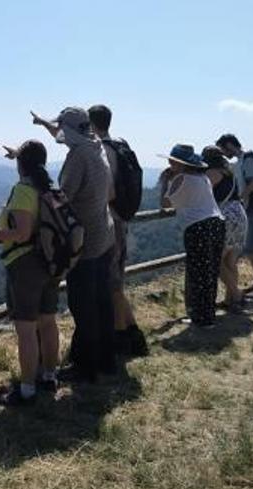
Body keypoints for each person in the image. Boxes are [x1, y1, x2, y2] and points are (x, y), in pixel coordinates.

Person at [32, 107, 116, 381]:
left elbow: (63, 197)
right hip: (105, 234)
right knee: (102, 300)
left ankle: (86, 366)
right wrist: (44, 123)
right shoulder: (96, 146)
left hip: (85, 241)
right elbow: (63, 133)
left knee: (83, 304)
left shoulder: (79, 156)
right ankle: (106, 358)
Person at [0, 139, 61, 406]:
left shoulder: (24, 190)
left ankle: (26, 389)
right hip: (51, 262)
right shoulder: (48, 187)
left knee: (26, 330)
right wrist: (21, 154)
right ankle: (49, 376)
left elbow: (22, 232)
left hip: (25, 264)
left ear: (20, 165)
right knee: (48, 322)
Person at [88, 104, 148, 357]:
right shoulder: (120, 145)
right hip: (121, 219)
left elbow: (108, 191)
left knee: (111, 285)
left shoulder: (101, 150)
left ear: (91, 124)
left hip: (109, 222)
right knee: (116, 283)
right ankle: (132, 334)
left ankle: (122, 338)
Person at [159, 144, 225, 328]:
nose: (169, 162)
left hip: (198, 227)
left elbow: (165, 203)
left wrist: (165, 181)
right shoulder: (202, 177)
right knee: (210, 272)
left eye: (173, 160)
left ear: (181, 163)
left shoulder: (181, 178)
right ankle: (207, 315)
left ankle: (201, 319)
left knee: (198, 274)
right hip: (216, 223)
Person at [216, 134, 253, 300]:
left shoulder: (246, 158)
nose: (223, 154)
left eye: (222, 149)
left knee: (252, 248)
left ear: (229, 145)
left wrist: (239, 198)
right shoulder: (245, 158)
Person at [202, 145, 247, 311]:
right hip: (239, 213)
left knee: (216, 260)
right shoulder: (229, 172)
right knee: (230, 260)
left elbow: (204, 194)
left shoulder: (211, 173)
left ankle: (236, 294)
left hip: (225, 215)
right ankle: (230, 300)